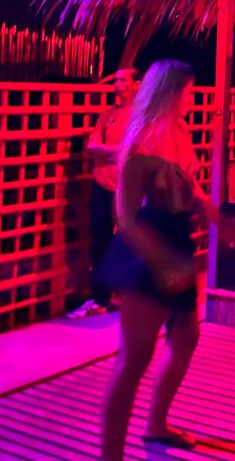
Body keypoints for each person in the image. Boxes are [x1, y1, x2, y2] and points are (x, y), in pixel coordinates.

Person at [98, 60, 235, 460]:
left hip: (177, 244)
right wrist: (161, 262)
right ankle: (110, 455)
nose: (191, 99)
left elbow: (191, 189)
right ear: (170, 92)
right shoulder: (140, 142)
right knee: (135, 358)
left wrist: (220, 220)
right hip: (147, 248)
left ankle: (156, 424)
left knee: (185, 339)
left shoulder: (179, 132)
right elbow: (126, 217)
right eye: (188, 92)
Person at [71, 68, 141, 318]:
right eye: (116, 79)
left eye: (123, 79)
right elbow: (91, 145)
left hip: (128, 187)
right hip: (102, 185)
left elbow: (136, 151)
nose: (117, 83)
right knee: (99, 240)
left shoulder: (141, 116)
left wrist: (109, 151)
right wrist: (116, 152)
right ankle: (100, 298)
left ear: (136, 84)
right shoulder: (106, 115)